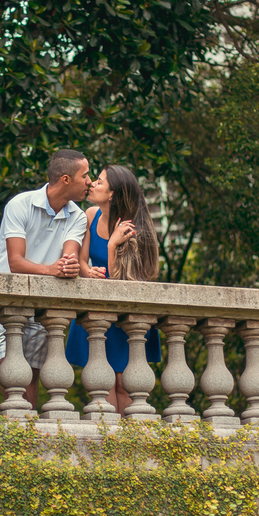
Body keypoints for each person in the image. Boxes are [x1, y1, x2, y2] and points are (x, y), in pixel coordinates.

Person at [0, 149, 91, 407]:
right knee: (12, 378)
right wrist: (52, 270)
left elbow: (68, 258)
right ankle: (18, 428)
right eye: (85, 175)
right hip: (6, 304)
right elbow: (15, 262)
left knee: (31, 379)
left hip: (41, 306)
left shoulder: (77, 216)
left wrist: (69, 267)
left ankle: (28, 431)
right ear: (66, 179)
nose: (89, 182)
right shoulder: (20, 205)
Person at [64, 164, 161, 413]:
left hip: (127, 315)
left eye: (99, 181)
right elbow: (82, 260)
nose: (92, 184)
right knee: (103, 384)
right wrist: (88, 272)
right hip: (100, 312)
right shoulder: (90, 215)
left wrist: (111, 246)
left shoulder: (133, 228)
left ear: (112, 194)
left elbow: (124, 285)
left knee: (125, 385)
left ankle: (130, 436)